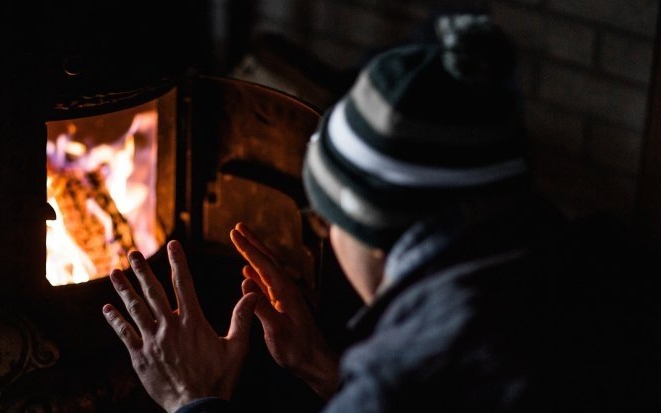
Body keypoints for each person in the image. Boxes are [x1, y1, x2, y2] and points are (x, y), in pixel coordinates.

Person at [101, 14, 658, 413]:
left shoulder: (398, 378)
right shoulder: (608, 266)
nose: (322, 234)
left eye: (324, 218)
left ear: (371, 232)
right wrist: (323, 367)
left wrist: (194, 398)